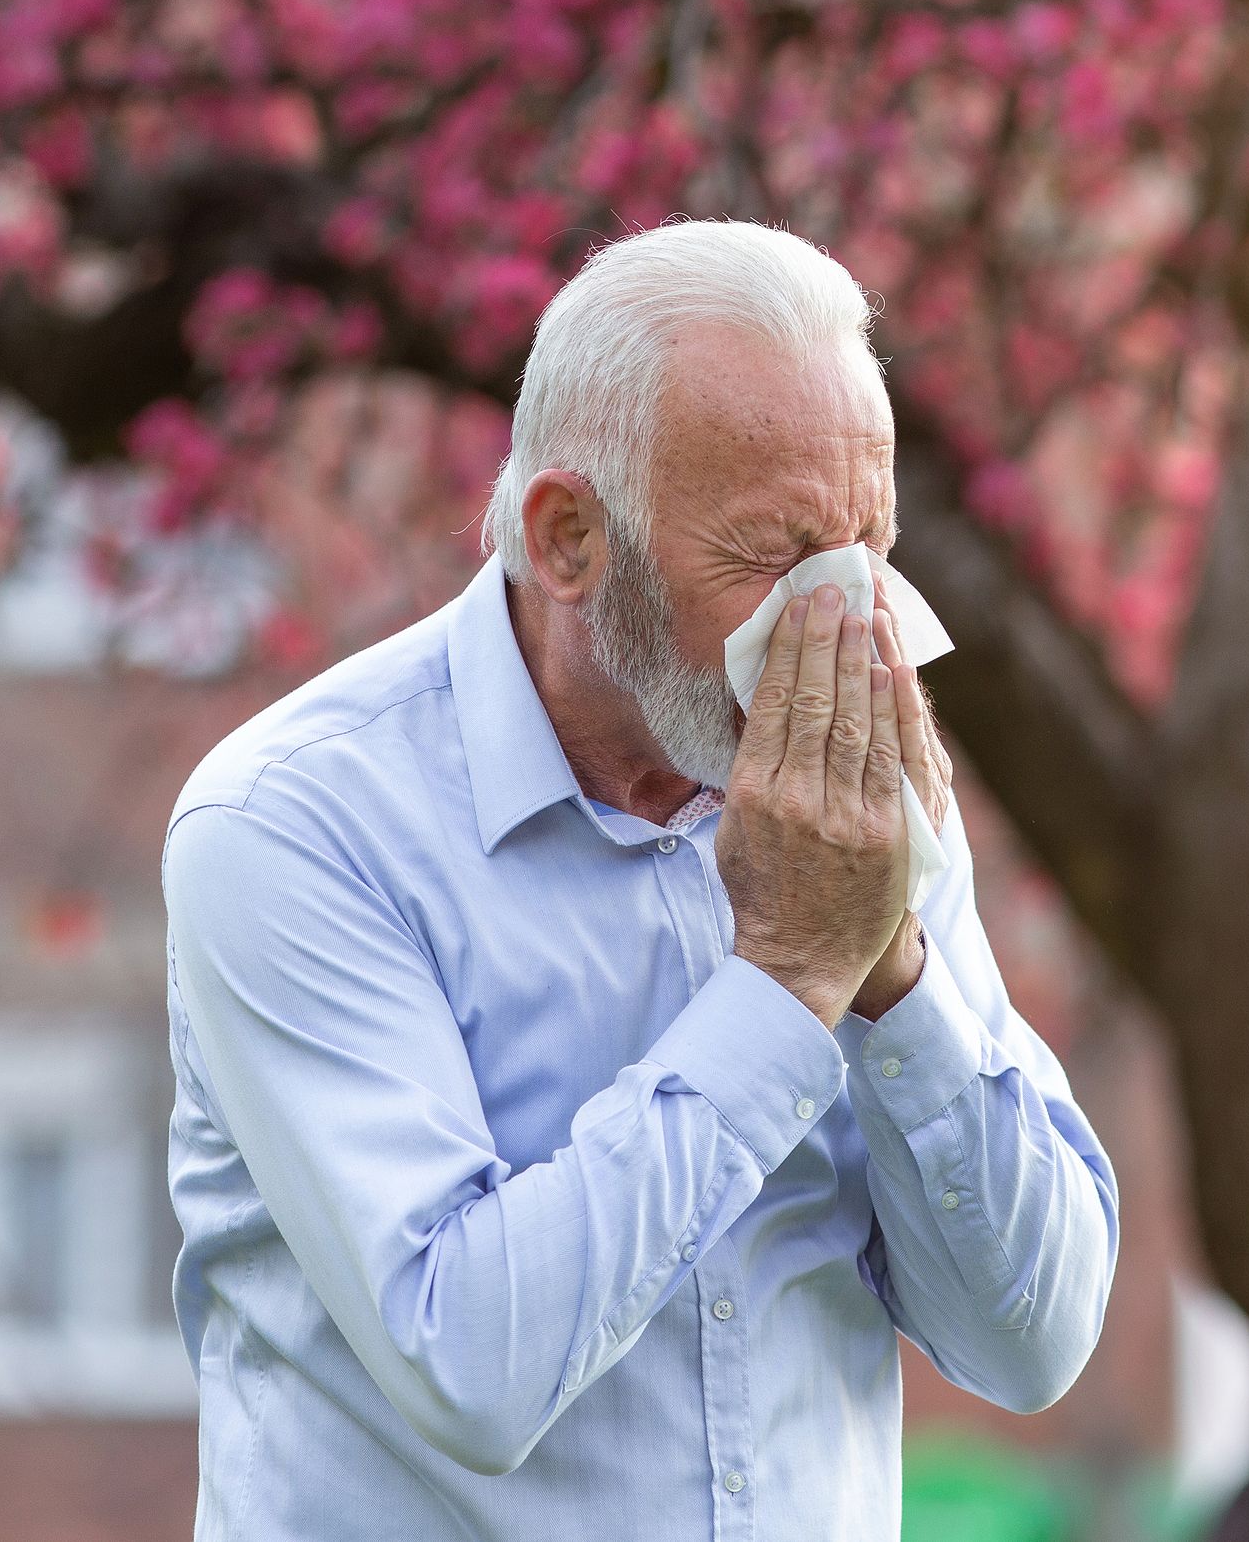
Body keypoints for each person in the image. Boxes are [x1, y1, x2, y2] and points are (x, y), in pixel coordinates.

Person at [160, 220, 1119, 1539]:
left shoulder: (852, 814)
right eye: (776, 556)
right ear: (567, 537)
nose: (842, 622)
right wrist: (787, 979)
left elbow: (1033, 1339)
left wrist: (888, 967)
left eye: (871, 547)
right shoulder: (297, 824)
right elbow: (468, 1364)